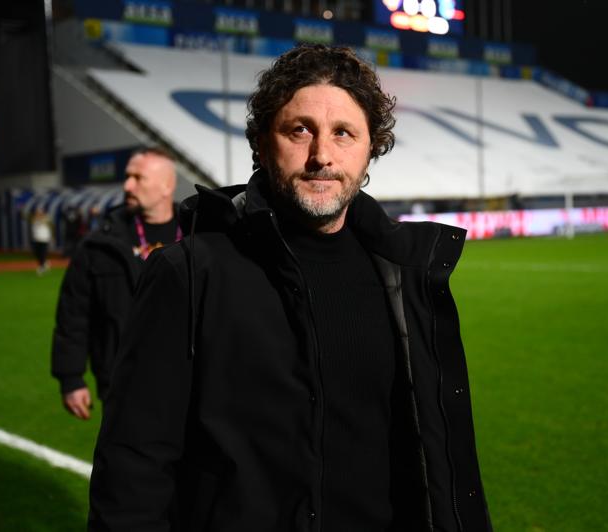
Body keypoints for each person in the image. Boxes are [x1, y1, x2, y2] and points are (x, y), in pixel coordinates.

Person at [89, 45, 492, 531]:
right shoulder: (189, 272)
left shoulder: (404, 273)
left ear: (370, 149)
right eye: (299, 130)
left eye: (343, 133)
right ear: (262, 144)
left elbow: (435, 455)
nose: (322, 156)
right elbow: (133, 462)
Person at [51, 147, 180, 420]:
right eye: (127, 176)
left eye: (138, 178)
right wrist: (71, 378)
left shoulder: (200, 234)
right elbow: (73, 314)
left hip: (189, 380)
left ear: (167, 186)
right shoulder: (100, 243)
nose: (127, 185)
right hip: (122, 382)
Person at [29, 207, 53, 275]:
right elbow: (29, 218)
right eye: (37, 213)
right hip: (36, 239)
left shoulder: (46, 218)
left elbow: (47, 222)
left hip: (44, 239)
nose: (38, 214)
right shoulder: (34, 219)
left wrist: (41, 218)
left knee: (42, 253)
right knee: (36, 253)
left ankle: (41, 267)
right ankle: (44, 263)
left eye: (40, 212)